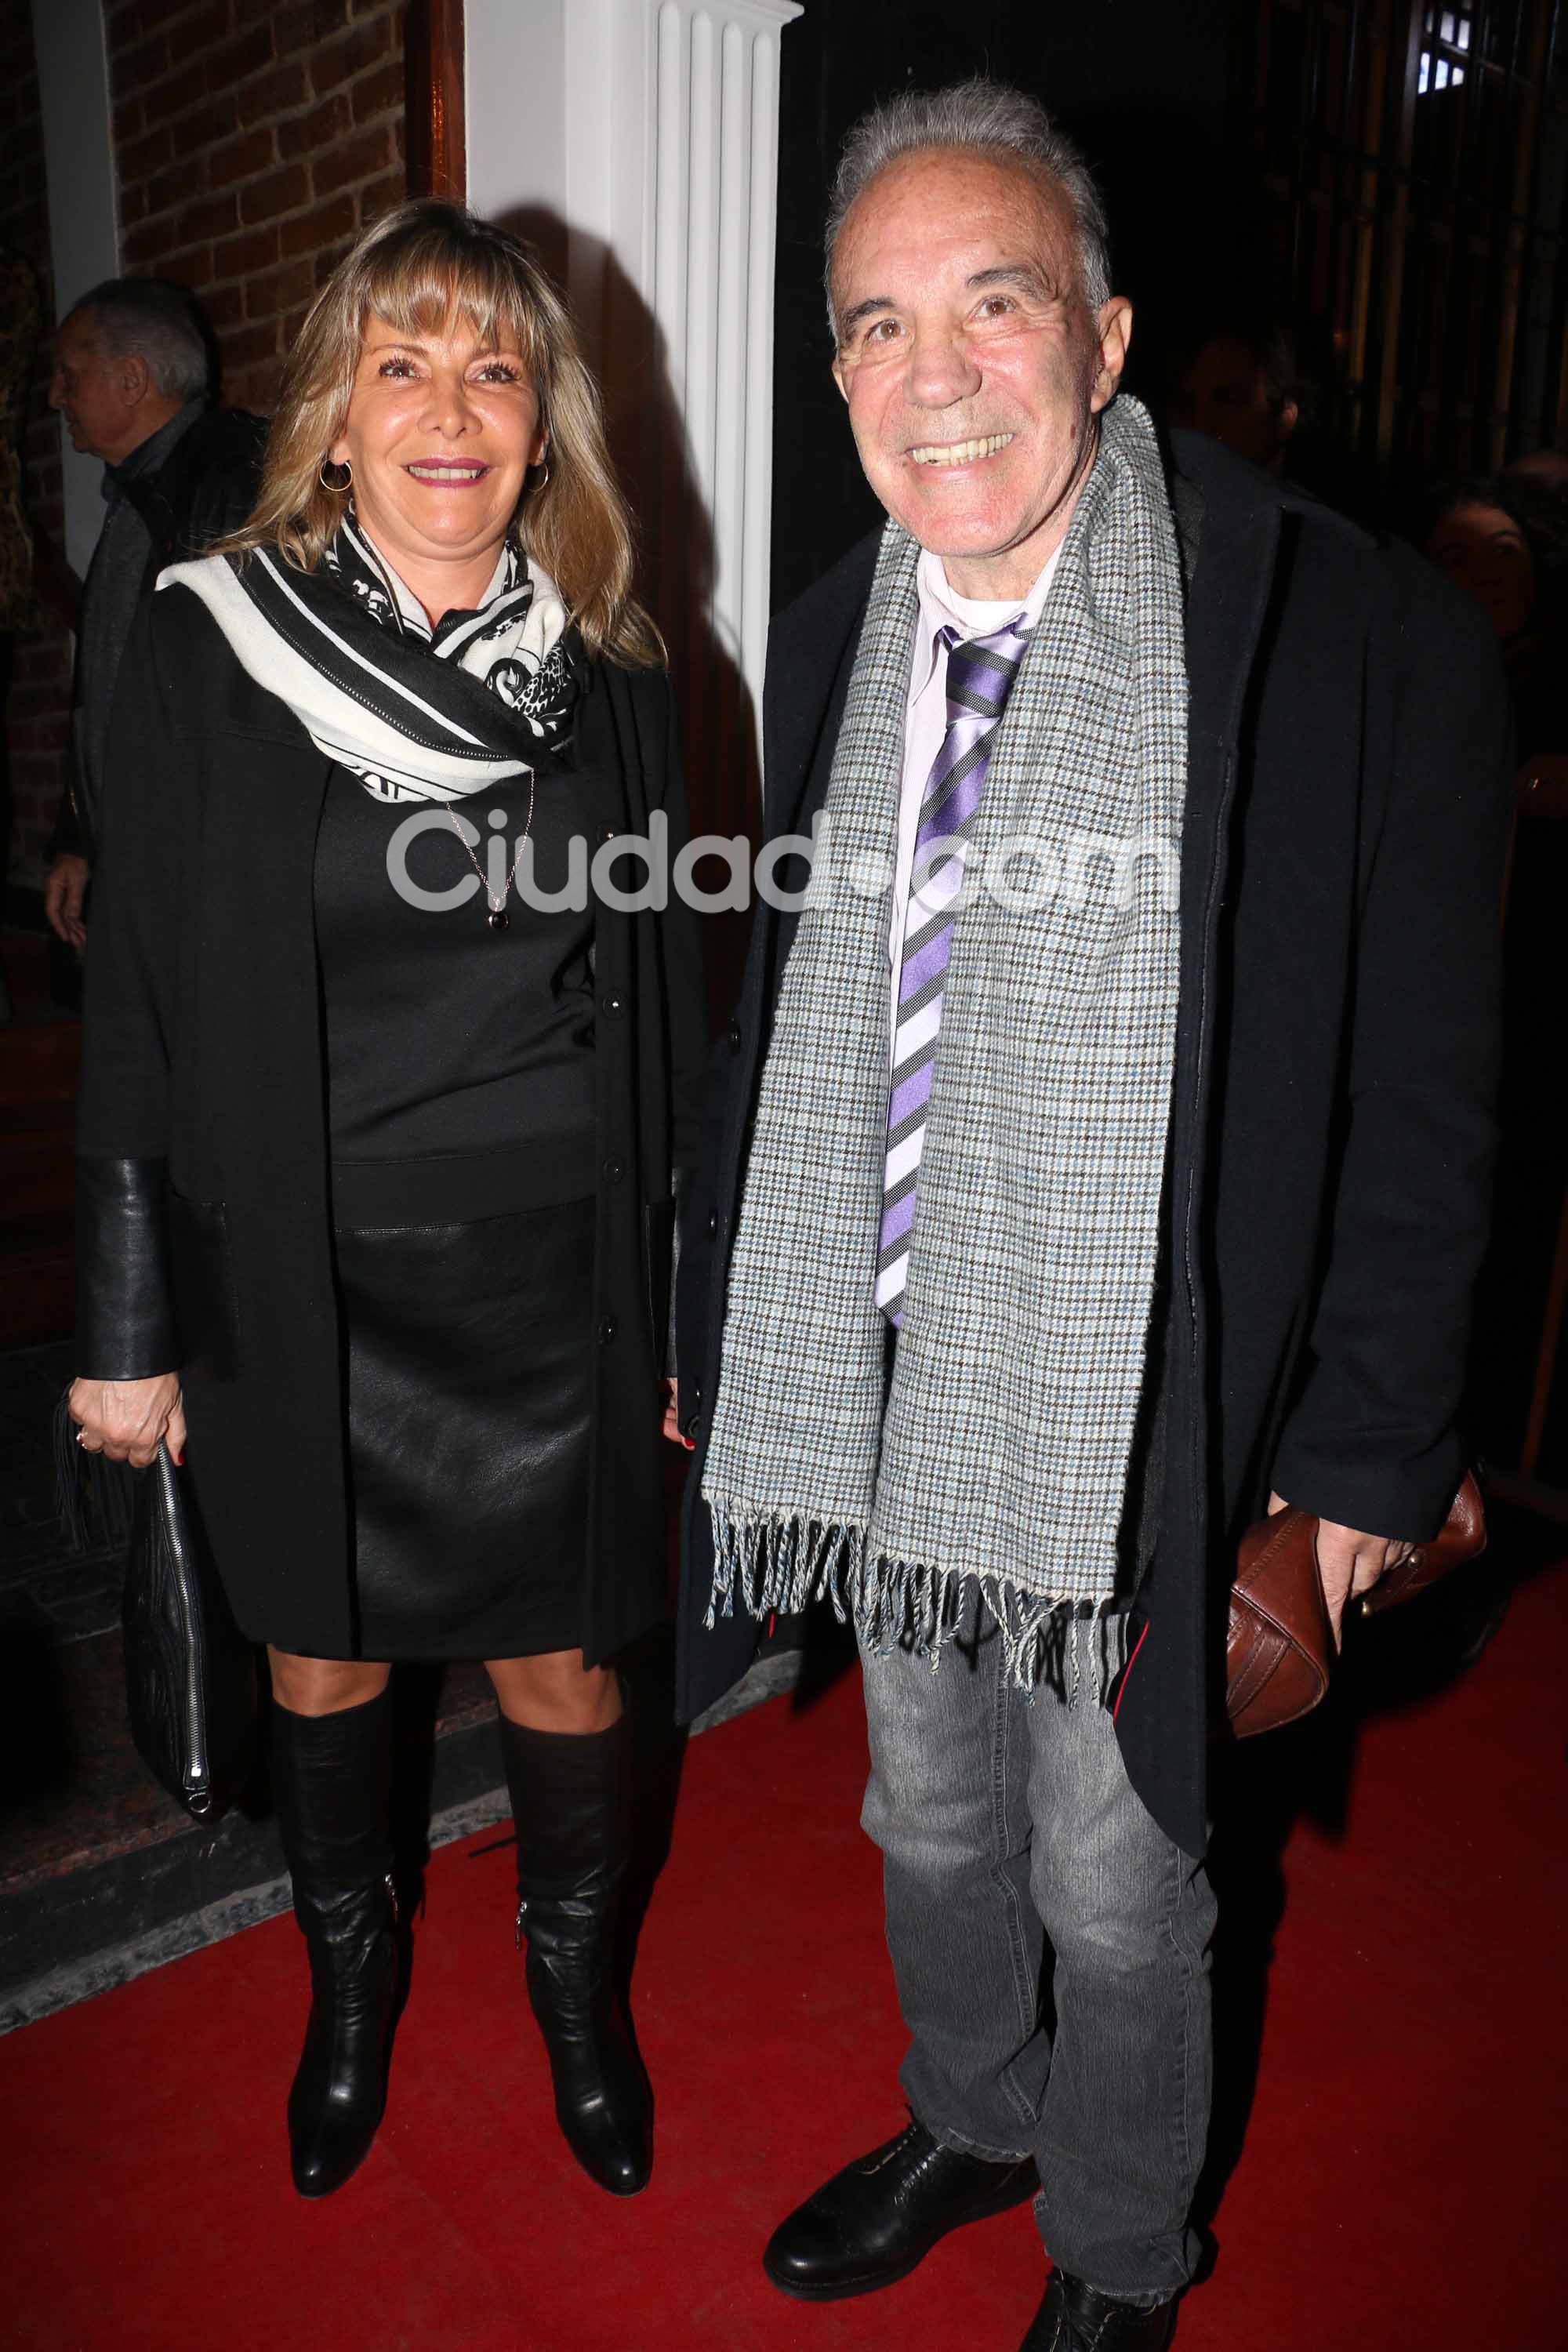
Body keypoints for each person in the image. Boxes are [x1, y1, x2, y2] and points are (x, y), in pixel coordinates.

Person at [675, 80, 1509, 2351]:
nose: (933, 372)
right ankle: (978, 2106)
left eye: (995, 301)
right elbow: (791, 1013)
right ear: (834, 370)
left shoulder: (1353, 642)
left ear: (1110, 334)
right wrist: (717, 1306)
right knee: (922, 1825)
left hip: (1167, 1400)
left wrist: (1355, 1469)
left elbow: (1429, 1104)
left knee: (1125, 1883)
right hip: (885, 1377)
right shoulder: (838, 622)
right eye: (875, 324)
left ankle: (1122, 2246)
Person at [67, 201, 704, 2204]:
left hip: (560, 1278)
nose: (450, 408)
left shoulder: (610, 669)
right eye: (402, 362)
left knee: (566, 1672)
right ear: (333, 412)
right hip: (307, 1274)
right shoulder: (205, 637)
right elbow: (147, 1001)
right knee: (322, 1666)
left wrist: (696, 1316)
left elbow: (683, 1017)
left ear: (543, 423)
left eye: (493, 367)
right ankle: (350, 1994)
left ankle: (575, 1995)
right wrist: (126, 1329)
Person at [42, 277, 263, 947]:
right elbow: (106, 693)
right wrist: (80, 837)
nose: (56, 396)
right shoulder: (138, 499)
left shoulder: (234, 482)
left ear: (132, 380)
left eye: (69, 376)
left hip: (214, 888)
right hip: (151, 881)